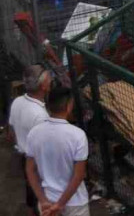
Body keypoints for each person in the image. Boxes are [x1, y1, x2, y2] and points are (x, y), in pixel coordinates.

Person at [25, 86, 89, 216]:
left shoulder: (34, 133)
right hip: (75, 203)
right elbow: (79, 175)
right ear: (68, 106)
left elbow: (30, 170)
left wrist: (42, 200)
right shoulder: (78, 135)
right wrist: (60, 204)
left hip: (48, 200)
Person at [10, 65, 51, 216]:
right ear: (43, 86)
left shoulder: (18, 101)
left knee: (31, 195)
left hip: (24, 155)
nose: (51, 80)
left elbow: (12, 130)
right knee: (44, 201)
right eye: (48, 79)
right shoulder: (40, 115)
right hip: (38, 163)